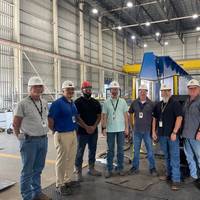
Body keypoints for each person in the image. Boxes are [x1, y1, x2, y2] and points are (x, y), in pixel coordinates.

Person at [13, 76, 51, 200]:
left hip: (43, 139)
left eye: (40, 86)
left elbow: (44, 118)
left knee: (38, 169)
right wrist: (19, 136)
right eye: (35, 86)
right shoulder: (22, 104)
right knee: (27, 171)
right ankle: (27, 197)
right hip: (29, 141)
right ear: (30, 88)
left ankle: (37, 193)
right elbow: (16, 122)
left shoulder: (44, 102)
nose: (38, 89)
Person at [48, 80, 79, 196]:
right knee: (61, 159)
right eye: (68, 89)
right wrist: (55, 131)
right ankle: (59, 184)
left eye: (72, 89)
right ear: (63, 91)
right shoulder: (57, 103)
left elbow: (75, 116)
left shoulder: (72, 103)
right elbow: (50, 119)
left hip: (72, 133)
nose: (71, 91)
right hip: (62, 134)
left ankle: (68, 180)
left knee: (71, 158)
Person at [152, 84, 183, 191]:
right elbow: (155, 119)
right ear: (161, 93)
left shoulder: (175, 104)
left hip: (172, 136)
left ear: (170, 92)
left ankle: (176, 180)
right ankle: (168, 175)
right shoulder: (158, 104)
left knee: (174, 157)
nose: (164, 93)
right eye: (163, 91)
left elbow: (179, 118)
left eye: (167, 91)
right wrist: (153, 132)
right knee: (166, 156)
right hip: (162, 135)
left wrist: (174, 132)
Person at [75, 81, 102, 181]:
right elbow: (77, 117)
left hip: (93, 132)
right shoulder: (77, 102)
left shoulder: (95, 102)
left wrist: (94, 126)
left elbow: (99, 116)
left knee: (92, 150)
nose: (88, 91)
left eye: (90, 89)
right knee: (80, 151)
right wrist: (86, 127)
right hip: (82, 132)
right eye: (86, 89)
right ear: (82, 90)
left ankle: (91, 168)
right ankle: (78, 171)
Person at [128, 84, 158, 176]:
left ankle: (152, 168)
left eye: (144, 91)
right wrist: (131, 126)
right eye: (141, 91)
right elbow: (130, 114)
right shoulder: (134, 103)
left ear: (147, 92)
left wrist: (153, 131)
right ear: (139, 92)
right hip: (136, 131)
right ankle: (135, 167)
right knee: (136, 150)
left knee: (150, 151)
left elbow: (154, 118)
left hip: (147, 132)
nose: (142, 92)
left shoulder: (151, 104)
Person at [101, 80, 129, 178]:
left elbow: (126, 116)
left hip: (121, 129)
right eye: (113, 89)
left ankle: (120, 168)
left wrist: (127, 128)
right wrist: (103, 128)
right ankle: (109, 169)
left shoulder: (122, 101)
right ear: (110, 90)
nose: (114, 91)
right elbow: (103, 116)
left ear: (118, 90)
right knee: (110, 150)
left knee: (120, 150)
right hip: (110, 130)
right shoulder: (106, 102)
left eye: (116, 89)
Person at [182, 79, 200, 186]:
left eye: (194, 88)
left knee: (199, 157)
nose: (192, 90)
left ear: (198, 89)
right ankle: (194, 175)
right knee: (189, 156)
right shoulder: (187, 100)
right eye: (190, 88)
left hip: (196, 135)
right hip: (186, 134)